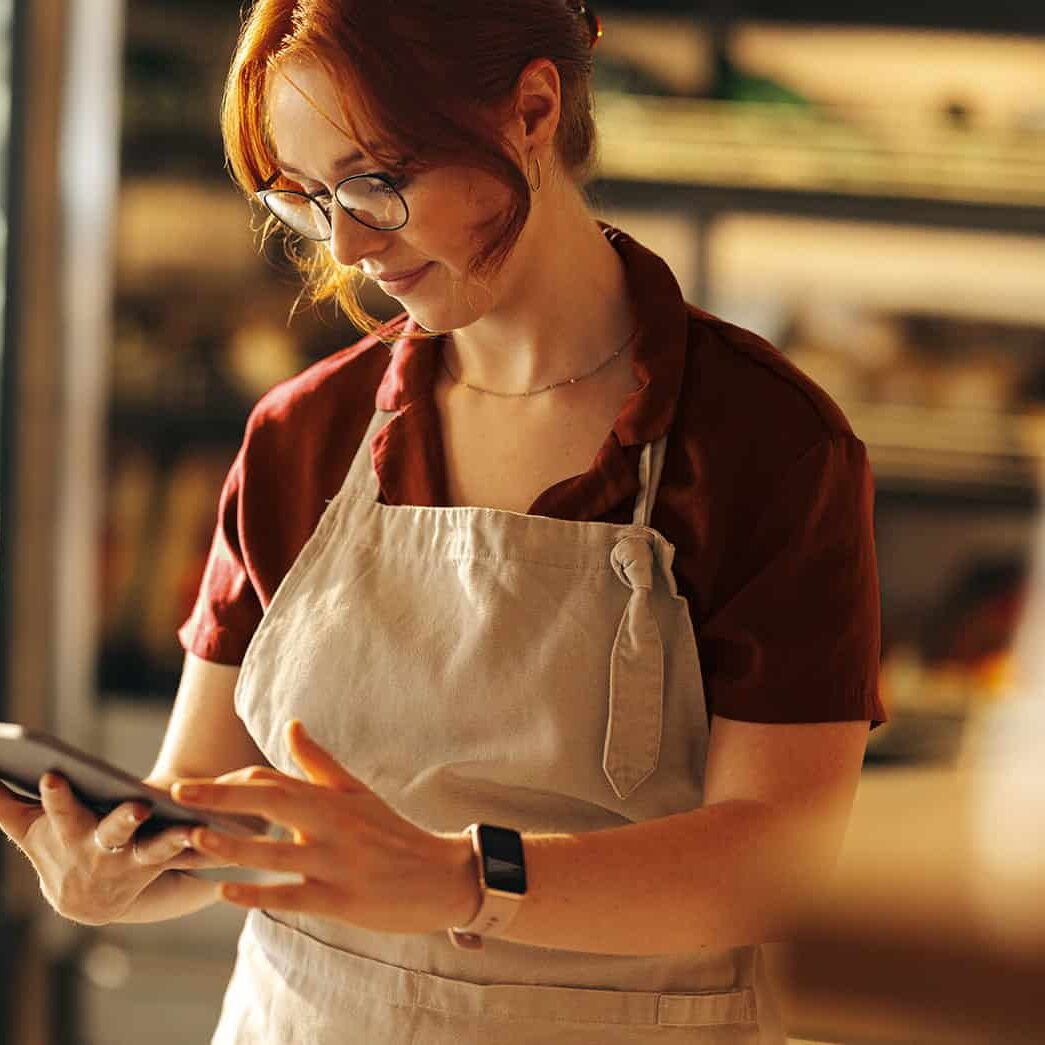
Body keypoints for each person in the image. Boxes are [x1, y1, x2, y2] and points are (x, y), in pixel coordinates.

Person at [0, 2, 886, 1042]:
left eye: (377, 181)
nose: (346, 244)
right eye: (309, 198)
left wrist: (463, 876)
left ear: (531, 112)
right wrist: (108, 877)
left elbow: (771, 863)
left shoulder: (764, 444)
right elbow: (206, 814)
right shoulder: (304, 435)